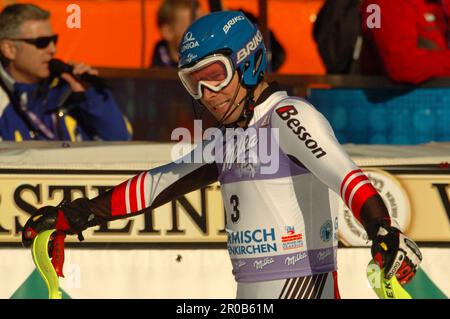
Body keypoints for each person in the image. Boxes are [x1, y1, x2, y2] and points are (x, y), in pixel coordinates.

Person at [22, 11, 422, 299]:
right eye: (193, 84)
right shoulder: (231, 138)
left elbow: (346, 175)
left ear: (248, 64)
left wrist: (379, 228)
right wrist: (75, 215)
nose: (207, 95)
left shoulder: (287, 116)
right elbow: (158, 184)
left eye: (214, 76)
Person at [0, 4, 131, 141]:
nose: (53, 50)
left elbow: (121, 139)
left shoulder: (69, 91)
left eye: (54, 40)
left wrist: (91, 95)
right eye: (42, 42)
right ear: (9, 49)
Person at [361, 0, 450, 84]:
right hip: (401, 95)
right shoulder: (391, 3)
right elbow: (403, 66)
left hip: (433, 92)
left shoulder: (433, 3)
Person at [151, 0, 202, 68]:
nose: (201, 31)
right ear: (168, 32)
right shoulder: (154, 75)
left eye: (203, 24)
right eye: (192, 27)